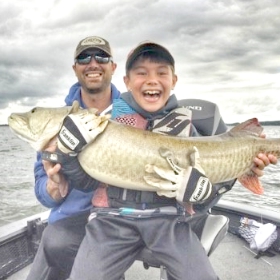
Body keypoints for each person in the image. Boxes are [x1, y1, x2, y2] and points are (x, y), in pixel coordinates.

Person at [64, 42, 277, 280]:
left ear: (174, 81)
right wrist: (67, 154)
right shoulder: (102, 123)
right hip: (111, 220)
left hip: (169, 221)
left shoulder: (187, 129)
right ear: (126, 81)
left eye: (161, 73)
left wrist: (206, 190)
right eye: (141, 73)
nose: (152, 80)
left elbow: (205, 199)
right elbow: (84, 182)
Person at [26, 36, 120, 280]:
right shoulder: (56, 121)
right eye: (83, 57)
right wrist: (54, 186)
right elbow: (43, 192)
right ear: (75, 68)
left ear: (113, 66)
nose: (92, 63)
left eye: (101, 56)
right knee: (55, 242)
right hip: (68, 224)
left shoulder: (132, 116)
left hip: (118, 219)